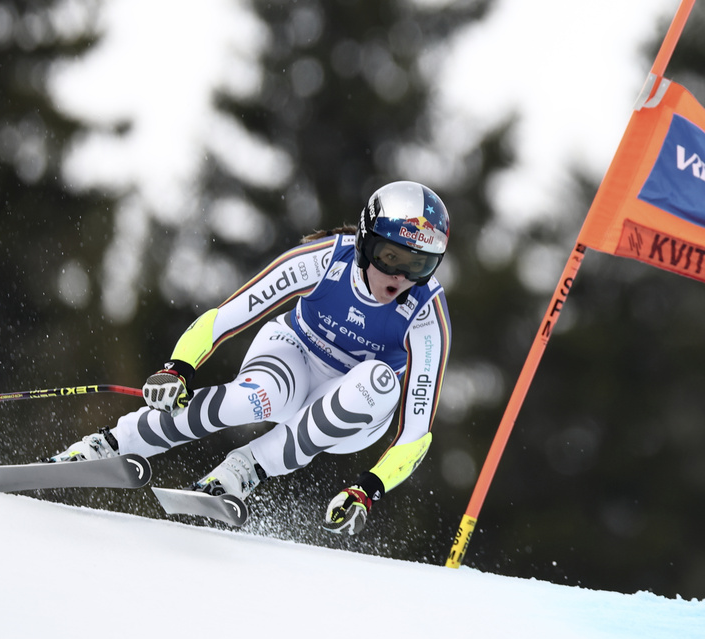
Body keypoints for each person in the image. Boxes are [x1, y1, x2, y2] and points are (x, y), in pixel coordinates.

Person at [50, 180, 452, 535]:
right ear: (365, 243)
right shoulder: (325, 259)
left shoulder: (425, 312)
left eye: (419, 265)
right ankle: (109, 444)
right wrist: (179, 368)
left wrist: (367, 488)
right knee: (253, 398)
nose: (400, 278)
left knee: (380, 380)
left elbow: (416, 434)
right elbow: (227, 316)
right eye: (390, 258)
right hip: (294, 353)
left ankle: (244, 469)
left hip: (354, 409)